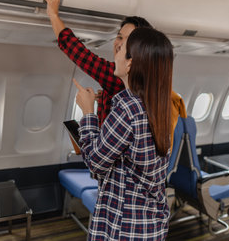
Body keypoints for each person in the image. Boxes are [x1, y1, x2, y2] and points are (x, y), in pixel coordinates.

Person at [40, 0, 186, 130]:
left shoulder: (121, 78)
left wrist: (53, 15)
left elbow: (79, 53)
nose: (119, 44)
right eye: (119, 37)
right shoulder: (147, 82)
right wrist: (104, 98)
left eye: (127, 40)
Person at [73, 27, 173, 240]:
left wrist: (88, 112)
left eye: (121, 49)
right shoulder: (160, 106)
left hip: (125, 227)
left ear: (130, 63)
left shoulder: (128, 109)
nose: (116, 51)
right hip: (150, 223)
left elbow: (95, 163)